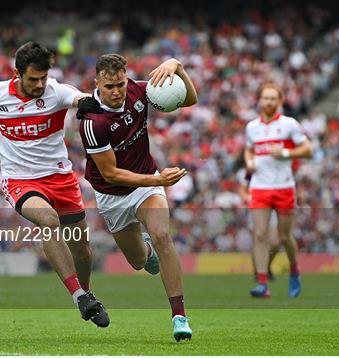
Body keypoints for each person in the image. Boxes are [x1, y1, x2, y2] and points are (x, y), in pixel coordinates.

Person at [0, 41, 109, 327]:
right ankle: (78, 295)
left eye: (44, 77)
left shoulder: (55, 91)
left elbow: (78, 97)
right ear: (16, 74)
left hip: (61, 178)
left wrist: (86, 104)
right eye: (33, 78)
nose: (40, 84)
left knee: (81, 249)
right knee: (48, 219)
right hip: (20, 180)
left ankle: (87, 291)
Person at [78, 54, 197, 341]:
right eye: (109, 87)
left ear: (126, 78)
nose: (117, 91)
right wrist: (158, 179)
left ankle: (179, 316)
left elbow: (190, 99)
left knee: (161, 234)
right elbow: (111, 174)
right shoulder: (93, 121)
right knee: (138, 261)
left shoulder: (140, 90)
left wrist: (177, 66)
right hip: (113, 195)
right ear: (97, 84)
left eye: (120, 83)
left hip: (146, 185)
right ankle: (146, 253)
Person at [244, 82, 312, 298]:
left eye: (273, 98)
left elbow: (308, 150)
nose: (269, 102)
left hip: (284, 186)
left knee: (284, 236)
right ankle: (263, 284)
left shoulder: (289, 124)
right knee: (261, 234)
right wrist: (249, 162)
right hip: (260, 187)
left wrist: (284, 153)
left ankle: (294, 270)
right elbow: (248, 150)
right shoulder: (252, 127)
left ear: (280, 101)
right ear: (260, 100)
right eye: (266, 98)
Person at [234, 153, 279, 281]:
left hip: (272, 208)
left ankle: (266, 267)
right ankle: (259, 272)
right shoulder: (247, 171)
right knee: (259, 240)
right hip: (257, 208)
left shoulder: (272, 169)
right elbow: (242, 190)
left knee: (275, 242)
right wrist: (250, 200)